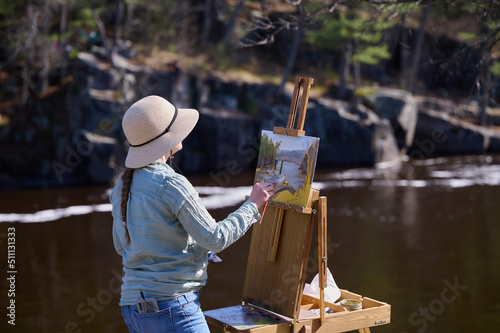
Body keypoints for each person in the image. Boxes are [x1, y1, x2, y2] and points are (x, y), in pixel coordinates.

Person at [110, 95, 275, 333]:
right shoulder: (171, 183)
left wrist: (183, 247)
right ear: (166, 138)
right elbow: (216, 238)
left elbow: (122, 245)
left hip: (133, 309)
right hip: (172, 306)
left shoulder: (122, 185)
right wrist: (253, 204)